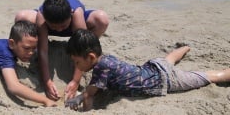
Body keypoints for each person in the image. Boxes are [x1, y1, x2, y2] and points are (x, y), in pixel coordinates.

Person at [65, 29, 230, 111]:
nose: (76, 67)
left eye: (77, 62)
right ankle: (185, 48)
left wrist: (85, 109)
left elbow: (89, 95)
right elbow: (96, 88)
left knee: (206, 77)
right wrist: (80, 97)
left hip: (163, 80)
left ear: (91, 57)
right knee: (168, 60)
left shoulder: (100, 69)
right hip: (153, 66)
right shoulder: (106, 59)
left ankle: (225, 73)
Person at [14, 0, 109, 101]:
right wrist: (47, 81)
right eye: (55, 27)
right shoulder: (42, 15)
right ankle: (35, 43)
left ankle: (90, 44)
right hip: (47, 27)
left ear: (71, 15)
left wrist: (75, 81)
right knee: (21, 16)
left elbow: (82, 49)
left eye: (62, 26)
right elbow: (43, 51)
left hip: (72, 27)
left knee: (102, 19)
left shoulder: (76, 13)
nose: (59, 30)